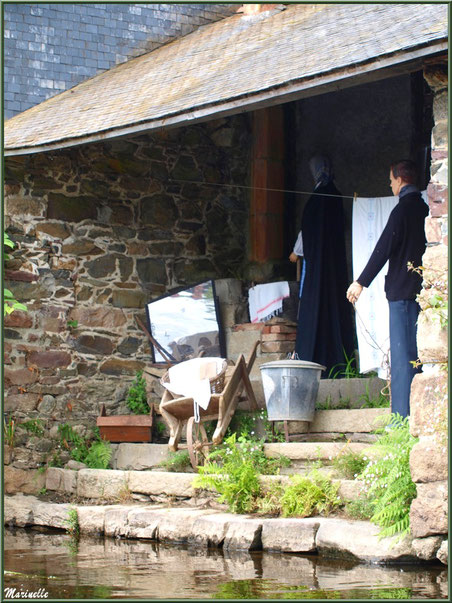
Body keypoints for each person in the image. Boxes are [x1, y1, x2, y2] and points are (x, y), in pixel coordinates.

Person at [346, 159, 428, 418]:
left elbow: (383, 249)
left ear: (400, 180)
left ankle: (402, 416)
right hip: (421, 291)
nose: (390, 184)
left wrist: (360, 282)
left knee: (403, 357)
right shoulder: (424, 208)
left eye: (391, 180)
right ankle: (415, 412)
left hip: (402, 293)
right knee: (415, 354)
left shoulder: (402, 210)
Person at [294, 155, 354, 376]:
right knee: (335, 308)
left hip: (317, 269)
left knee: (315, 310)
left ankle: (311, 360)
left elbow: (307, 232)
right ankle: (339, 362)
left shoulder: (314, 201)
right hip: (334, 268)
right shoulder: (336, 197)